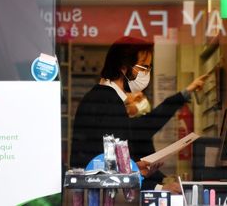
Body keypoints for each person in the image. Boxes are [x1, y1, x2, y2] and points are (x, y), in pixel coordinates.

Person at [70, 36, 207, 193]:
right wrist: (159, 188)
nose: (146, 73)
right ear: (123, 68)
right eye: (143, 68)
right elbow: (111, 170)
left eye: (148, 68)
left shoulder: (103, 98)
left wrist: (135, 166)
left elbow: (109, 162)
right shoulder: (108, 102)